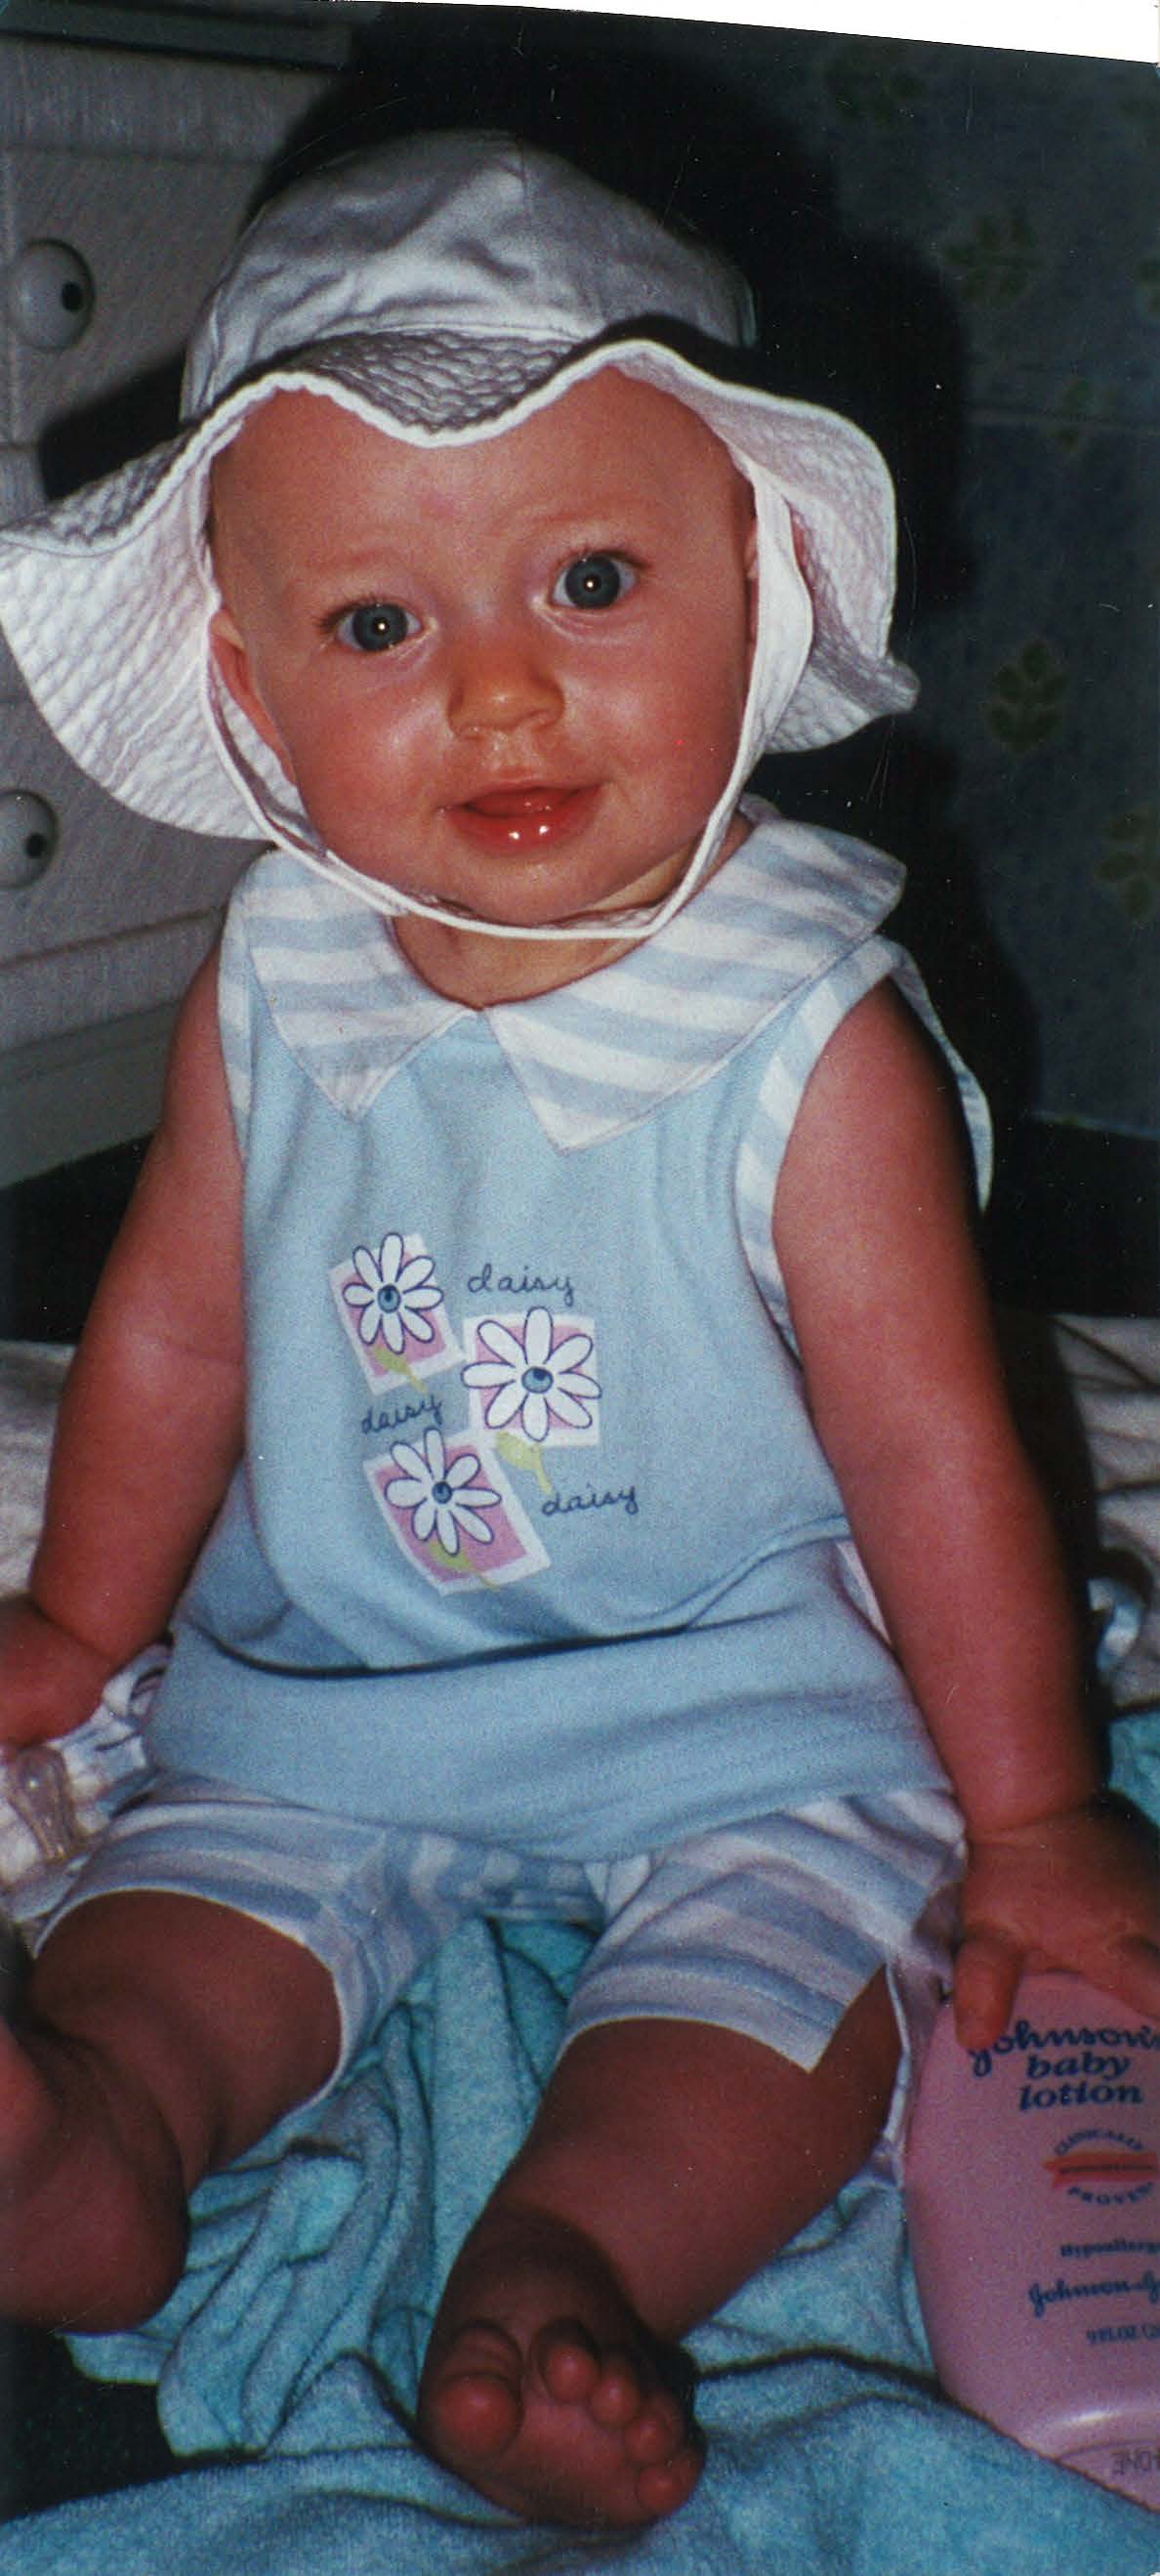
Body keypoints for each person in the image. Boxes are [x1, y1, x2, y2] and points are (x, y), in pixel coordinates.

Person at [0, 133, 1156, 2533]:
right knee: (187, 1912)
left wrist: (1038, 1814)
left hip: (745, 1706)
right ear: (247, 688)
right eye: (378, 623)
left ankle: (565, 2260)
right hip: (340, 1684)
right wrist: (81, 1625)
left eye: (594, 580)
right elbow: (178, 1340)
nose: (502, 686)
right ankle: (97, 2130)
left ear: (763, 577)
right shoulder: (278, 979)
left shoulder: (802, 1033)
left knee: (774, 1982)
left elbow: (936, 1454)